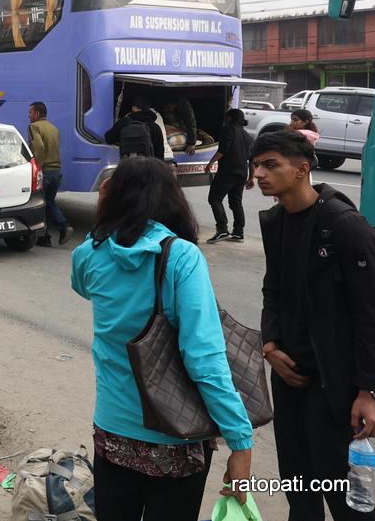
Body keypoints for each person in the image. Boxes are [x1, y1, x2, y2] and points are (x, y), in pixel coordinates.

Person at [70, 157, 253, 519]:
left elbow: (82, 287)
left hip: (112, 430)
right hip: (175, 437)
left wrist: (105, 216)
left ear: (113, 195)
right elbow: (204, 358)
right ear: (171, 198)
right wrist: (240, 440)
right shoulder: (180, 257)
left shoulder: (88, 254)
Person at [251, 131, 375, 519]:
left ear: (302, 169)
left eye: (271, 165)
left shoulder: (344, 225)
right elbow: (272, 290)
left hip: (334, 383)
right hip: (290, 377)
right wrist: (270, 345)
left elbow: (370, 313)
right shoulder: (274, 221)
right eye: (256, 165)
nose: (259, 174)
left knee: (344, 493)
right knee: (298, 484)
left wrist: (368, 390)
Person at [28, 101, 73, 247]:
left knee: (40, 203)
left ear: (37, 113)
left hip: (45, 172)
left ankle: (44, 236)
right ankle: (64, 227)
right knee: (50, 202)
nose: (29, 115)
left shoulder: (34, 127)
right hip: (56, 171)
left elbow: (39, 146)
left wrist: (37, 166)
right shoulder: (54, 128)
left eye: (30, 112)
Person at [204, 108, 251, 243]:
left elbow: (223, 149)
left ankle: (222, 229)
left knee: (214, 199)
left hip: (228, 171)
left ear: (230, 118)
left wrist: (210, 163)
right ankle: (238, 232)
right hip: (242, 173)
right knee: (236, 202)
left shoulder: (228, 130)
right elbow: (253, 159)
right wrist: (251, 177)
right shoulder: (248, 136)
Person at [104, 96, 166, 161]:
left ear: (134, 108)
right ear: (148, 109)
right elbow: (160, 154)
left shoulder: (124, 122)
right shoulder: (155, 127)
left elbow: (108, 138)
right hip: (148, 166)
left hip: (129, 166)